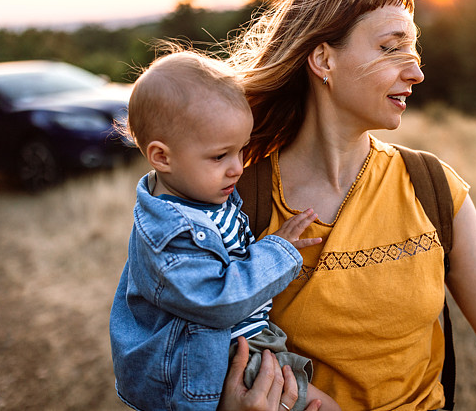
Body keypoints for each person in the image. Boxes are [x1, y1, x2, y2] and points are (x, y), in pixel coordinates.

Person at [219, 0, 476, 410]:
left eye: (413, 49)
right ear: (323, 60)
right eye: (390, 47)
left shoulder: (433, 187)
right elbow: (188, 353)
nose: (415, 71)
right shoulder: (238, 200)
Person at [109, 51, 340, 411]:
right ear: (162, 157)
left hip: (247, 349)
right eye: (220, 156)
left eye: (241, 150)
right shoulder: (172, 233)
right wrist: (277, 251)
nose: (237, 167)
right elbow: (215, 300)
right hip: (222, 368)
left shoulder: (202, 199)